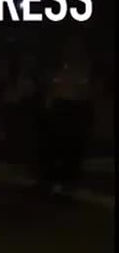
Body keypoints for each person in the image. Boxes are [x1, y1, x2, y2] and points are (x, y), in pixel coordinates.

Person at [36, 37, 95, 198]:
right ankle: (51, 180)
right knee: (54, 146)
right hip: (60, 108)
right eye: (70, 47)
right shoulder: (61, 67)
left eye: (77, 47)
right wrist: (48, 105)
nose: (73, 50)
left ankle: (67, 183)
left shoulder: (86, 68)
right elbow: (52, 88)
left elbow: (87, 91)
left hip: (76, 109)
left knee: (72, 147)